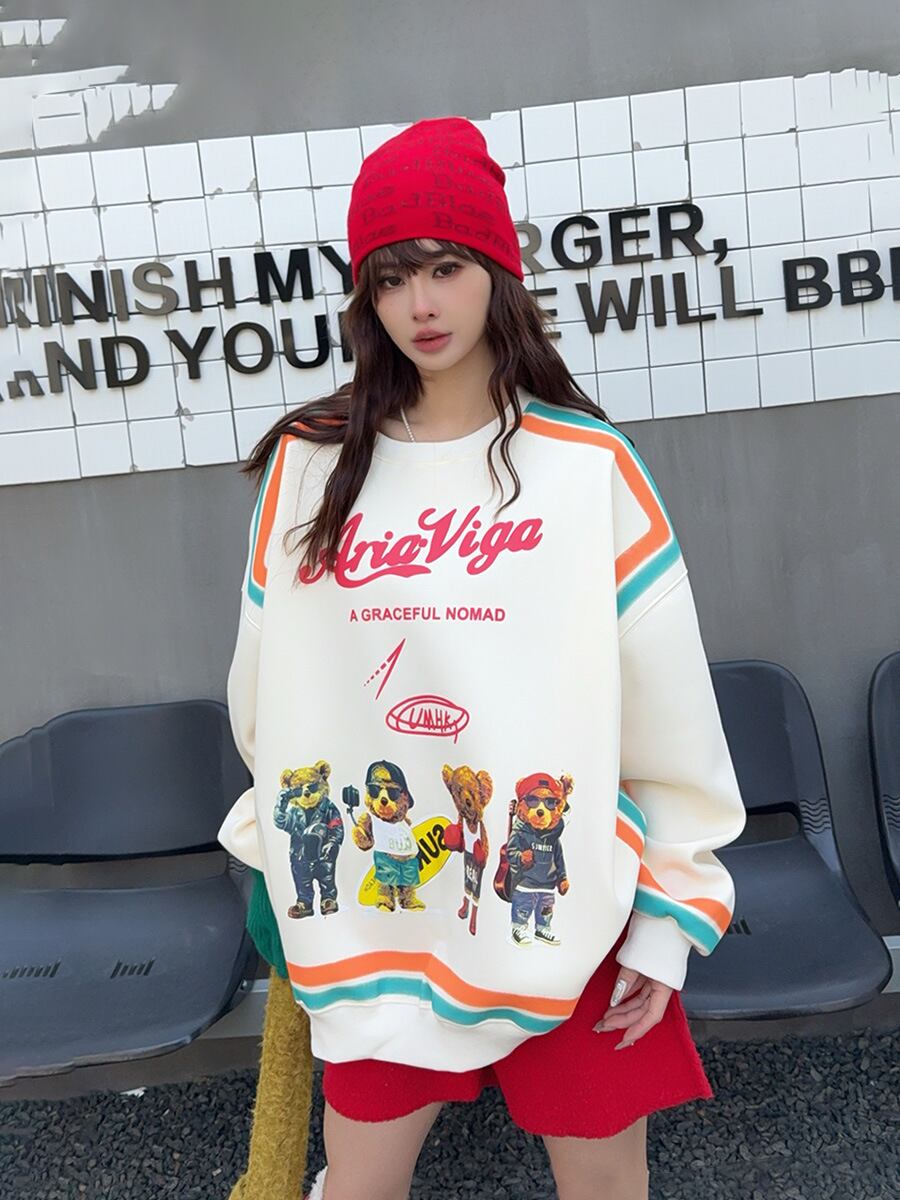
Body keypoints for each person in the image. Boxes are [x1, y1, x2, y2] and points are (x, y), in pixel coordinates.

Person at [218, 115, 747, 1200]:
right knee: (358, 1185)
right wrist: (291, 850)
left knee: (605, 1186)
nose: (420, 303)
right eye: (392, 276)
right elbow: (266, 699)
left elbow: (671, 709)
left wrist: (667, 920)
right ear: (365, 296)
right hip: (377, 913)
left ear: (497, 271)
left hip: (567, 908)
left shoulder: (585, 468)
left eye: (446, 268)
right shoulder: (311, 470)